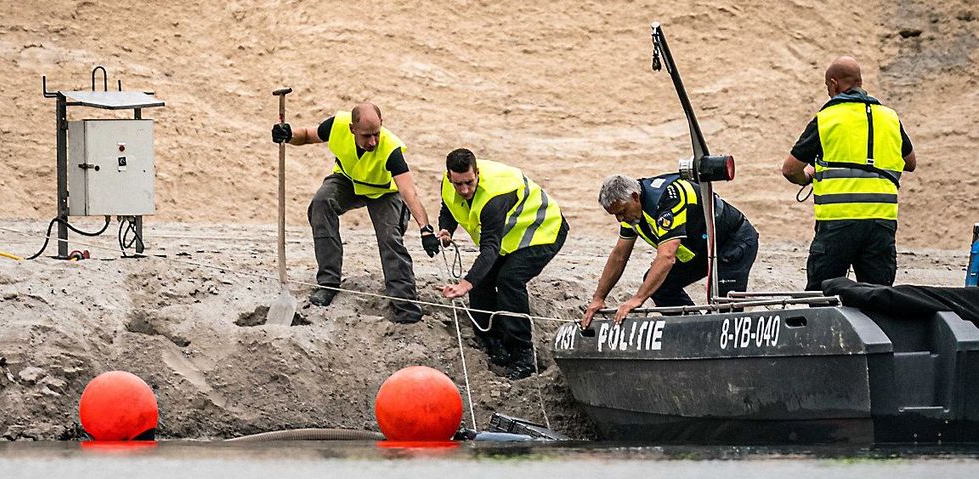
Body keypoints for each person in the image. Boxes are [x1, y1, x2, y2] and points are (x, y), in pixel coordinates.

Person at [271, 103, 440, 323]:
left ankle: (405, 305)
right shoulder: (337, 125)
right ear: (352, 129)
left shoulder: (391, 149)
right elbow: (305, 135)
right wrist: (288, 134)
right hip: (347, 182)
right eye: (366, 136)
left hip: (384, 193)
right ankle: (328, 283)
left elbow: (409, 193)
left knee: (390, 238)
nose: (373, 142)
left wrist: (425, 229)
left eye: (376, 134)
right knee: (321, 203)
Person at [781, 56, 917, 291]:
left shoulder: (827, 118)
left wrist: (808, 176)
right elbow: (910, 162)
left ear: (834, 84)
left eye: (827, 87)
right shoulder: (889, 117)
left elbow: (790, 169)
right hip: (881, 222)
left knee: (822, 297)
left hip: (838, 221)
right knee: (878, 298)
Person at [437, 148, 569, 380]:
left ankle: (523, 356)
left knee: (509, 279)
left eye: (469, 182)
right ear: (449, 177)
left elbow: (490, 249)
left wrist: (465, 284)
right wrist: (446, 228)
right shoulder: (450, 185)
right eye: (459, 184)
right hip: (510, 237)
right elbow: (449, 207)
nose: (464, 190)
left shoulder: (494, 197)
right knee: (482, 282)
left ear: (477, 173)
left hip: (544, 231)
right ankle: (493, 342)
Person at [581, 173, 759, 329]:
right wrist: (599, 297)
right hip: (700, 248)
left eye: (622, 212)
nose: (620, 219)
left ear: (635, 197)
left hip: (733, 241)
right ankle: (694, 328)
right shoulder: (632, 213)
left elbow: (667, 257)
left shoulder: (666, 198)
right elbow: (619, 255)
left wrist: (638, 299)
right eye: (615, 216)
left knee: (726, 314)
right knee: (659, 285)